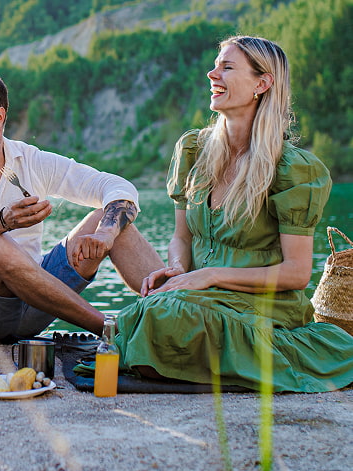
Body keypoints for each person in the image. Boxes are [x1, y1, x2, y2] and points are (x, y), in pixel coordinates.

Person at [117, 36, 353, 392]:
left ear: (262, 83)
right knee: (143, 312)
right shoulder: (193, 151)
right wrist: (179, 270)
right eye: (216, 65)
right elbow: (182, 237)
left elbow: (297, 273)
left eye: (227, 67)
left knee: (161, 317)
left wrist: (210, 275)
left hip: (264, 306)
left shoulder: (292, 169)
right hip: (200, 296)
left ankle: (252, 357)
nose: (213, 73)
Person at [0, 69, 163, 341]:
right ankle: (110, 329)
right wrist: (1, 221)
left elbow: (117, 186)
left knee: (112, 220)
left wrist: (106, 232)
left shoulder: (30, 160)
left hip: (39, 302)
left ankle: (176, 317)